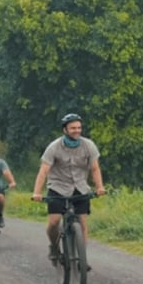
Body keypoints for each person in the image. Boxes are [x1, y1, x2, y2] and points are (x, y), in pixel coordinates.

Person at [31, 113, 106, 265]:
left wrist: (99, 187)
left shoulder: (88, 145)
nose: (76, 130)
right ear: (65, 130)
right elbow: (44, 171)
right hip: (58, 187)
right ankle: (54, 247)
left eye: (79, 128)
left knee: (82, 223)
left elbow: (95, 168)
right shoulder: (54, 147)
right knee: (54, 222)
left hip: (80, 188)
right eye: (73, 128)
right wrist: (37, 192)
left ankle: (82, 259)